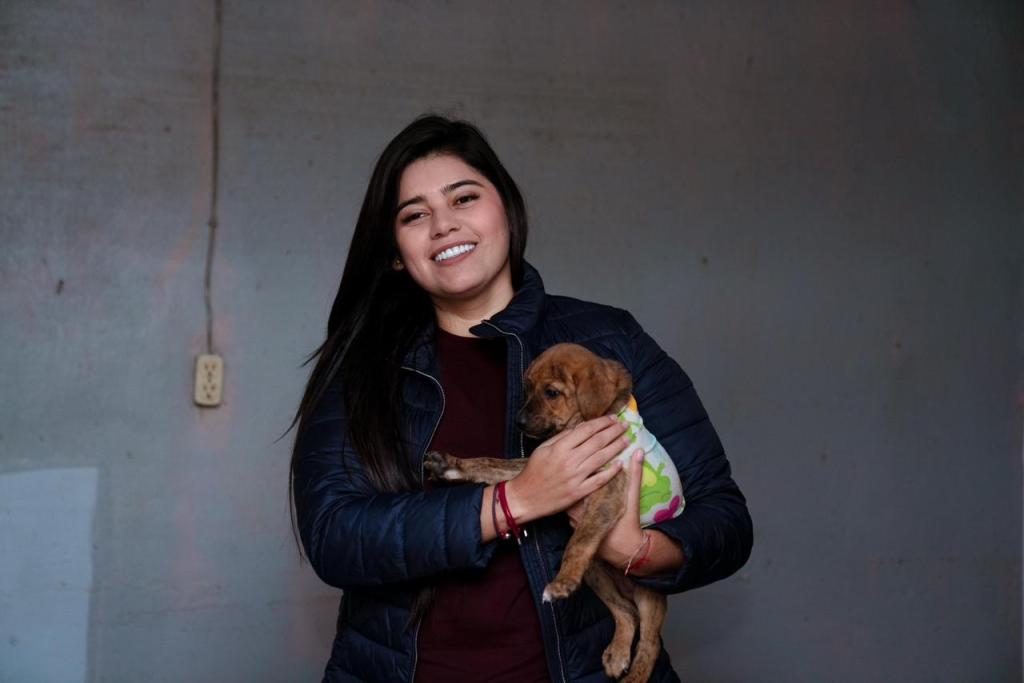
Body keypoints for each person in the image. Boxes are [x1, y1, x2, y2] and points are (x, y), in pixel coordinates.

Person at [288, 114, 753, 683]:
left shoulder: (610, 340)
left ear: (506, 209)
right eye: (415, 214)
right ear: (395, 252)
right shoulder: (361, 368)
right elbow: (334, 537)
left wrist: (634, 549)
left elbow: (725, 520)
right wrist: (514, 501)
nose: (443, 224)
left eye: (464, 197)